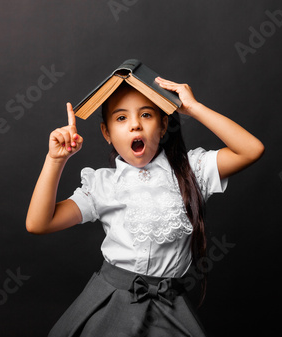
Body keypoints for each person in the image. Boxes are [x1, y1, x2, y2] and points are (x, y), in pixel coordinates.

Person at [26, 76, 264, 336]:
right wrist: (55, 159)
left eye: (147, 115)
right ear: (106, 133)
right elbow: (39, 223)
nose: (135, 125)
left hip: (169, 306)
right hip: (109, 303)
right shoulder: (102, 184)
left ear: (163, 126)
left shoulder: (192, 170)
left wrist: (193, 108)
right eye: (121, 118)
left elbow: (251, 150)